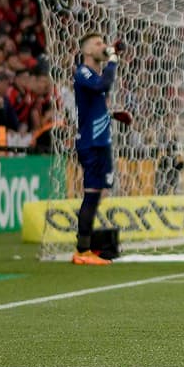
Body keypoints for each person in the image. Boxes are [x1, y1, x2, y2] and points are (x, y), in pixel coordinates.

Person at [71, 32, 122, 265]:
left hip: (102, 142)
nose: (104, 46)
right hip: (91, 143)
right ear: (87, 51)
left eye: (104, 42)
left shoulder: (95, 75)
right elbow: (103, 83)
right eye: (98, 43)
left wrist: (113, 115)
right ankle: (82, 250)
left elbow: (95, 104)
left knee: (101, 192)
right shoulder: (83, 72)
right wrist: (112, 60)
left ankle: (89, 245)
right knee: (91, 194)